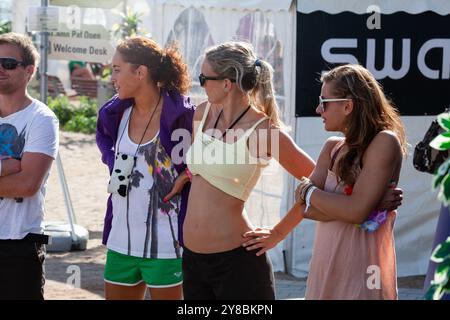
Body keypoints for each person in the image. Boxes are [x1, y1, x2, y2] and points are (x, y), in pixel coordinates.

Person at [243, 64, 406, 300]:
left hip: (364, 272)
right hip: (326, 265)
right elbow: (307, 210)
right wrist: (365, 204)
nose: (318, 109)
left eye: (324, 102)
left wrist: (310, 192)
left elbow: (353, 212)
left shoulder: (384, 142)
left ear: (348, 106)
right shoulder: (332, 147)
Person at [180, 41, 316, 300]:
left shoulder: (264, 132)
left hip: (237, 264)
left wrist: (278, 233)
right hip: (193, 261)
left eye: (203, 78)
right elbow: (208, 166)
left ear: (226, 83)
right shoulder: (202, 113)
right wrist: (186, 175)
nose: (200, 84)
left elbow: (318, 179)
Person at [95, 36, 194, 300]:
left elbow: (210, 156)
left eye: (117, 69)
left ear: (140, 72)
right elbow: (106, 145)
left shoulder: (181, 115)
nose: (111, 77)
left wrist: (187, 174)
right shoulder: (114, 114)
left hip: (167, 244)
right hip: (120, 241)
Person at [0, 32, 59, 300]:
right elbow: (16, 179)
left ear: (29, 71)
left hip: (18, 244)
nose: (0, 68)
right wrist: (7, 169)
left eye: (8, 63)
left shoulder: (41, 119)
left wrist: (20, 174)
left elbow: (27, 185)